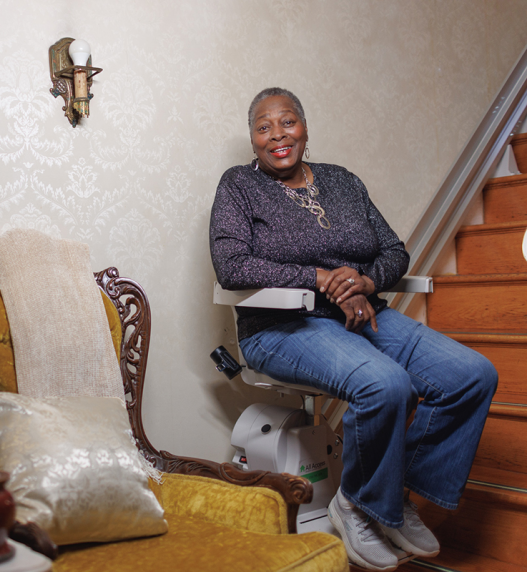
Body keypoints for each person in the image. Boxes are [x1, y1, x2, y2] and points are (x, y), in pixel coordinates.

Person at [209, 87, 498, 572]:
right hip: (280, 326)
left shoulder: (342, 182)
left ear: (305, 128)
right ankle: (359, 504)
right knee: (386, 384)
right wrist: (319, 278)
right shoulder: (239, 185)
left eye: (287, 122)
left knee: (472, 374)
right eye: (264, 127)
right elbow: (231, 265)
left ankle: (389, 498)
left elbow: (393, 251)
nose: (277, 135)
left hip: (360, 314)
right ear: (252, 138)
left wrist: (364, 280)